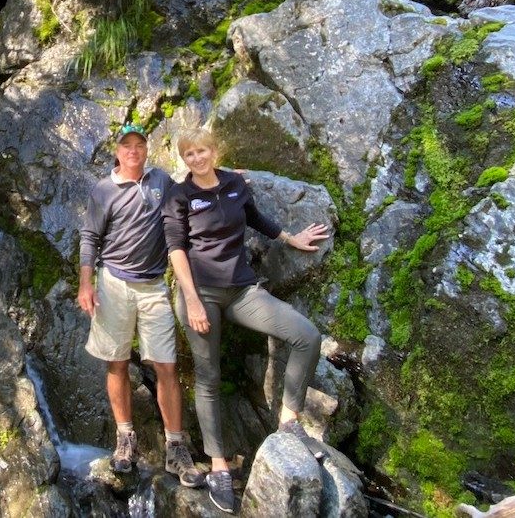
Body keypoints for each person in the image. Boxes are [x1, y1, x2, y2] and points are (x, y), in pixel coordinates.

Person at [162, 126, 329, 514]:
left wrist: (291, 237)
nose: (197, 159)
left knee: (306, 335)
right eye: (189, 155)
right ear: (184, 160)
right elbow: (176, 250)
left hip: (241, 291)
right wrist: (192, 301)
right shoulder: (179, 196)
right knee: (208, 377)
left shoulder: (236, 183)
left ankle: (289, 423)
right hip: (200, 295)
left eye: (202, 151)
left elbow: (255, 218)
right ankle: (219, 465)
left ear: (214, 152)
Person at [78, 122, 203, 487]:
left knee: (167, 364)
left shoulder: (160, 181)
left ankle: (176, 448)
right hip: (114, 283)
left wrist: (223, 176)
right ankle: (125, 439)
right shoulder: (103, 190)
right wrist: (86, 283)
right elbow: (89, 237)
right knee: (116, 363)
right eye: (126, 145)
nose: (133, 150)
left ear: (146, 150)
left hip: (152, 287)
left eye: (139, 144)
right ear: (117, 151)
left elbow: (189, 192)